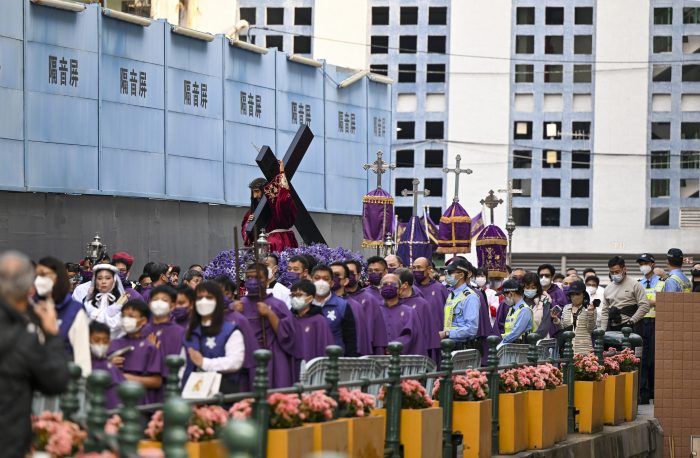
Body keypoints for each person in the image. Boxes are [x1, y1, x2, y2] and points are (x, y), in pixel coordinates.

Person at [0, 251, 70, 458]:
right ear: (28, 289)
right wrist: (52, 336)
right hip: (8, 439)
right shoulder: (23, 337)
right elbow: (56, 381)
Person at [234, 263, 296, 388]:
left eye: (257, 278)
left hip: (272, 356)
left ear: (267, 280)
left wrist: (270, 314)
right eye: (249, 278)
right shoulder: (239, 305)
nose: (252, 281)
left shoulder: (278, 305)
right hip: (246, 356)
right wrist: (234, 312)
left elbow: (289, 336)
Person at [182, 282, 246, 394]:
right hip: (190, 394)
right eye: (199, 298)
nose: (203, 302)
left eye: (209, 298)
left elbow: (235, 362)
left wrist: (204, 363)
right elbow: (182, 365)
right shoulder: (190, 331)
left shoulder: (230, 330)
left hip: (222, 395)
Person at [36, 256, 91, 376]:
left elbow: (82, 357)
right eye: (38, 275)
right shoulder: (30, 306)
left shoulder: (74, 310)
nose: (39, 280)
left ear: (59, 278)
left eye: (44, 274)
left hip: (64, 379)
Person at [107, 299, 163, 403]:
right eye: (123, 316)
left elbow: (157, 381)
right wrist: (109, 364)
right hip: (113, 401)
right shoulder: (113, 344)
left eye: (131, 317)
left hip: (139, 403)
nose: (126, 320)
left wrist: (129, 378)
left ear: (143, 321)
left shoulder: (149, 348)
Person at [241, 160, 298, 252]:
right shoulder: (252, 212)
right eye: (253, 193)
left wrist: (282, 173)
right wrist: (249, 223)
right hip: (262, 245)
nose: (255, 196)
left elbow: (284, 200)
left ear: (264, 190)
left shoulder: (275, 206)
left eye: (257, 191)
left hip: (280, 242)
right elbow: (247, 238)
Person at [142, 285, 186, 398]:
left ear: (172, 306)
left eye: (164, 300)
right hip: (143, 389)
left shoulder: (180, 332)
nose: (159, 303)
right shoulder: (142, 330)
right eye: (155, 299)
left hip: (171, 388)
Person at [289, 280, 334, 378]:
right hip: (292, 368)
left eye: (299, 295)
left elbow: (325, 348)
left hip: (312, 371)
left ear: (310, 298)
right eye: (293, 295)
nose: (295, 298)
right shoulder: (289, 319)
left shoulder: (318, 321)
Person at [310, 264, 358, 356]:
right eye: (317, 278)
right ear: (311, 280)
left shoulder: (342, 306)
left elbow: (350, 339)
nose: (321, 282)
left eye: (325, 279)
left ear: (331, 283)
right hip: (308, 360)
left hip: (334, 361)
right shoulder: (303, 304)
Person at [344, 259, 388, 355]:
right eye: (346, 273)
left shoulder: (370, 299)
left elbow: (378, 332)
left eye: (351, 273)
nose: (348, 276)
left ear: (359, 275)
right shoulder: (335, 299)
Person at [636, 253, 663, 405]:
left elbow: (664, 302)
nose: (643, 266)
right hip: (641, 322)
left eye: (645, 263)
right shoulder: (638, 283)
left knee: (653, 359)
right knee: (642, 358)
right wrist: (651, 302)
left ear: (652, 264)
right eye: (640, 263)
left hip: (656, 322)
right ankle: (644, 394)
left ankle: (653, 390)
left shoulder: (662, 283)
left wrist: (648, 302)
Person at [330, 261, 372, 356]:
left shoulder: (354, 306)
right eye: (331, 275)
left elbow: (359, 338)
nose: (333, 278)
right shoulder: (320, 302)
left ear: (345, 280)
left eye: (337, 275)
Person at [412, 257, 449, 361]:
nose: (416, 271)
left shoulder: (440, 288)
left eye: (419, 267)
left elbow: (449, 312)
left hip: (436, 339)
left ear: (429, 269)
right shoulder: (410, 289)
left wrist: (446, 332)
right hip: (416, 341)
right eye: (414, 268)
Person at [440, 259, 481, 350]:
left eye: (450, 272)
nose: (447, 275)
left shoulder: (470, 297)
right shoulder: (451, 294)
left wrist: (447, 333)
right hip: (448, 345)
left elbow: (471, 329)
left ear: (461, 275)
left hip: (462, 348)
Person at [604, 256, 649, 331]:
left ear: (624, 269)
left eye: (617, 272)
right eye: (612, 272)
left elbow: (645, 305)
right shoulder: (608, 288)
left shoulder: (635, 284)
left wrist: (632, 321)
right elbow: (605, 311)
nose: (614, 274)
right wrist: (603, 329)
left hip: (630, 328)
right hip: (612, 328)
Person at [377, 273, 419, 354]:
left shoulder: (410, 312)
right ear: (380, 289)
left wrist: (394, 347)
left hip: (402, 359)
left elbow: (412, 335)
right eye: (385, 284)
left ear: (400, 289)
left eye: (392, 284)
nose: (388, 286)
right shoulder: (374, 311)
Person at [396, 268, 433, 357]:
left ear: (405, 285)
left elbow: (427, 333)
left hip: (415, 355)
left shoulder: (422, 304)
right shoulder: (392, 302)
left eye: (395, 283)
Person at [82, 264, 127, 337]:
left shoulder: (122, 302)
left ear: (114, 280)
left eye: (108, 278)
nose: (103, 281)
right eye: (99, 278)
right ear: (95, 280)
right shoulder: (88, 303)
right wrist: (109, 312)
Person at [89, 321, 125, 409]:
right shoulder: (83, 363)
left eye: (105, 341)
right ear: (88, 339)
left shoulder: (112, 368)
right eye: (97, 340)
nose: (101, 344)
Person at [553, 281, 596, 355]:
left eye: (577, 294)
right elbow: (563, 329)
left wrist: (590, 314)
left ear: (584, 295)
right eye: (572, 294)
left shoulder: (589, 308)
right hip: (568, 349)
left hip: (585, 349)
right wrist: (556, 319)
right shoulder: (566, 308)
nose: (574, 297)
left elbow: (591, 329)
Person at [500, 279, 534, 346]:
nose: (504, 298)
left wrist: (501, 345)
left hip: (520, 349)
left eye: (505, 295)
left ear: (511, 293)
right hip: (510, 347)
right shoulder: (512, 309)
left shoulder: (524, 310)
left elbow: (516, 333)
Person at [522, 271, 552, 339]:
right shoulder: (518, 301)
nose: (530, 290)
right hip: (520, 342)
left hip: (539, 341)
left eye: (533, 287)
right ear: (523, 287)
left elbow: (545, 325)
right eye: (527, 287)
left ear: (537, 288)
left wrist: (533, 338)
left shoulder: (544, 300)